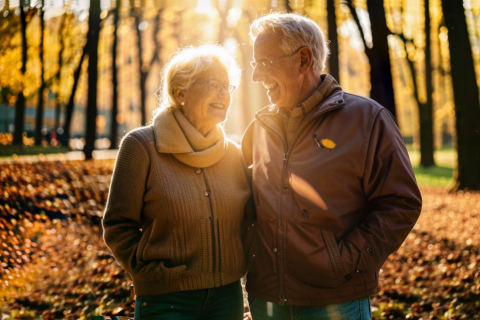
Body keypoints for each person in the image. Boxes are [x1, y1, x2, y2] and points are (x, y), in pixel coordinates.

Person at [242, 13, 422, 319]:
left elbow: (401, 202)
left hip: (335, 303)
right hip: (266, 301)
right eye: (254, 63)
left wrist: (344, 261)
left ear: (303, 60)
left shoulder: (367, 120)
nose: (257, 75)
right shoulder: (258, 128)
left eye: (265, 62)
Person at [103, 44, 253, 320]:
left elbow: (249, 221)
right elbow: (117, 224)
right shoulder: (142, 147)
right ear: (180, 92)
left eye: (227, 86)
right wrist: (152, 274)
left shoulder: (233, 154)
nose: (223, 93)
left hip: (227, 298)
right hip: (166, 301)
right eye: (212, 83)